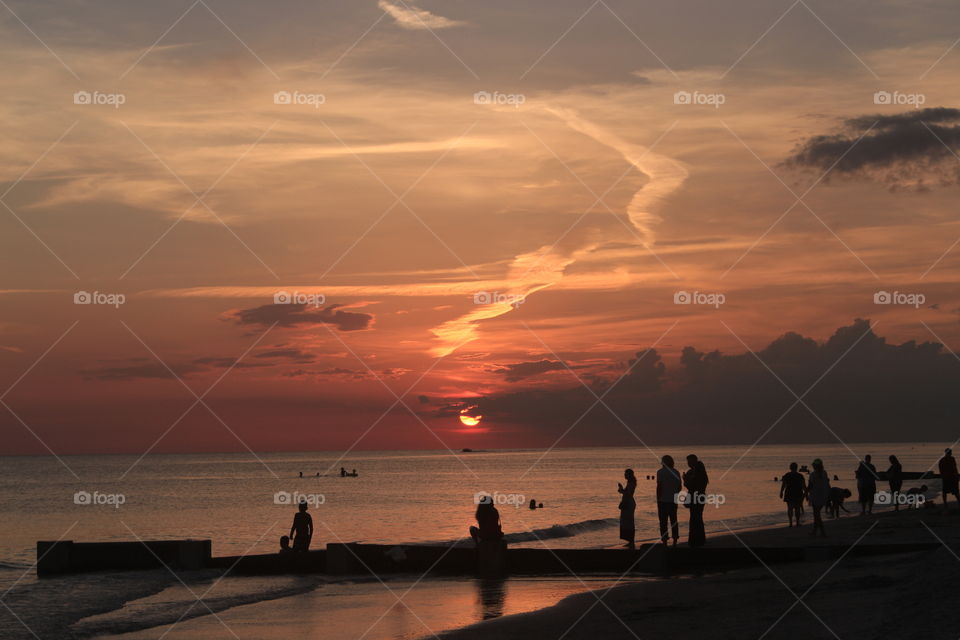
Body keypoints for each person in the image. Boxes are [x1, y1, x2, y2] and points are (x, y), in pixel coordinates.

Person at [683, 454, 708, 547]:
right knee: (698, 518)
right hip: (701, 496)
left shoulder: (695, 473)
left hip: (695, 497)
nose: (688, 463)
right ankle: (700, 539)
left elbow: (691, 486)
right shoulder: (701, 472)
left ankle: (695, 540)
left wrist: (685, 479)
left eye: (689, 461)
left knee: (694, 519)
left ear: (693, 462)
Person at [656, 455, 681, 546]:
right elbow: (679, 487)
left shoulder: (660, 472)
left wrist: (658, 498)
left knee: (663, 521)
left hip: (663, 500)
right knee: (674, 520)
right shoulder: (676, 472)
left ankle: (664, 539)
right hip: (673, 500)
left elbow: (659, 487)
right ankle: (675, 538)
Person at [807, 459, 830, 536]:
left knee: (816, 514)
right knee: (816, 514)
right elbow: (827, 483)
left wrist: (805, 494)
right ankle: (815, 531)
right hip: (823, 495)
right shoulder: (824, 473)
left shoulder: (813, 474)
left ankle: (822, 532)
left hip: (815, 495)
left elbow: (810, 486)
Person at [779, 462, 807, 527]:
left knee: (790, 508)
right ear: (796, 468)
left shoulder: (787, 475)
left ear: (790, 468)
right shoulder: (800, 476)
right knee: (797, 508)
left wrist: (781, 492)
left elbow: (783, 485)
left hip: (789, 493)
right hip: (798, 493)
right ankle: (797, 522)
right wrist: (806, 494)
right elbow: (804, 486)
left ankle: (790, 523)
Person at [618, 468, 637, 549]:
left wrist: (621, 490)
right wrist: (622, 490)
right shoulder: (630, 482)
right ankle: (630, 541)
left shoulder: (631, 483)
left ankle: (631, 541)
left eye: (626, 474)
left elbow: (628, 494)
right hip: (628, 502)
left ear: (629, 475)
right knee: (627, 522)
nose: (624, 475)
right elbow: (626, 493)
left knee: (628, 522)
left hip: (628, 503)